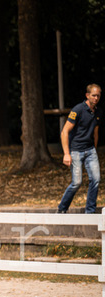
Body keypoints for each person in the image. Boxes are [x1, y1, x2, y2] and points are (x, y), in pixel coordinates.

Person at [58, 83, 102, 213]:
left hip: (90, 150)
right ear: (87, 95)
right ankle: (62, 209)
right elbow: (64, 132)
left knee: (96, 180)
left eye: (98, 96)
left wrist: (94, 150)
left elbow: (95, 132)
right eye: (93, 95)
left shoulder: (98, 112)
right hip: (76, 150)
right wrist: (66, 154)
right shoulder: (78, 110)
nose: (96, 98)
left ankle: (90, 212)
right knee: (77, 183)